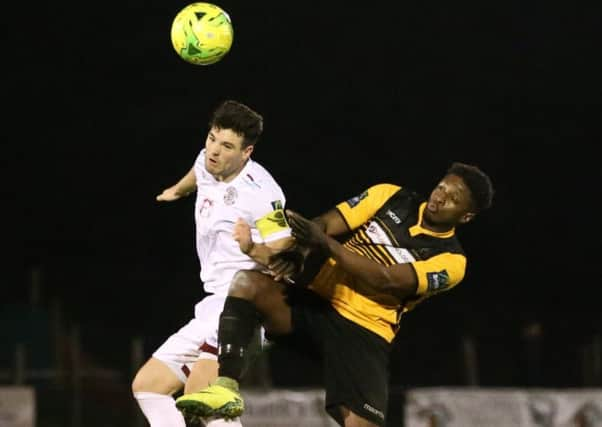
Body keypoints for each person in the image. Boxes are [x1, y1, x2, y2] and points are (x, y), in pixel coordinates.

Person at [175, 162, 495, 427]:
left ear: (465, 217)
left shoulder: (453, 262)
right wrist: (301, 246)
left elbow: (385, 280)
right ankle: (225, 387)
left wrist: (324, 243)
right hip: (317, 300)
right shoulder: (391, 196)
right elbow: (324, 224)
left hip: (365, 329)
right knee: (246, 283)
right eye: (442, 187)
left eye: (453, 199)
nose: (440, 198)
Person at [131, 99, 295, 427]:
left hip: (245, 305)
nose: (214, 151)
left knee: (201, 397)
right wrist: (177, 191)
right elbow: (198, 172)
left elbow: (283, 244)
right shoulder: (208, 161)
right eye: (212, 139)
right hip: (212, 302)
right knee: (148, 387)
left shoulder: (260, 191)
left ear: (246, 152)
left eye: (227, 146)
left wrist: (251, 247)